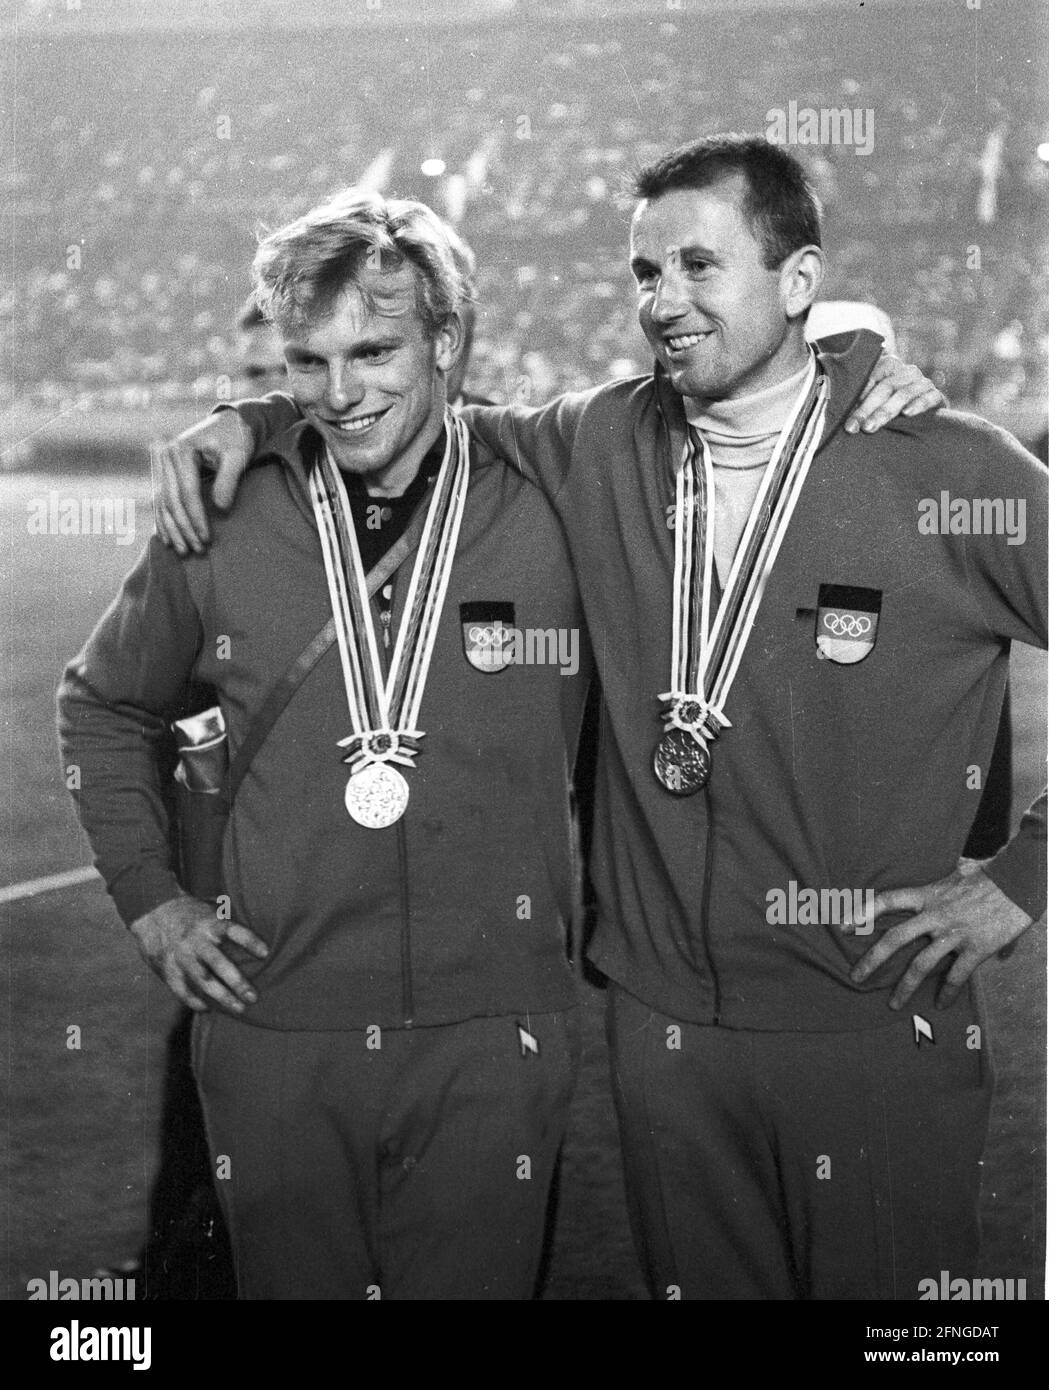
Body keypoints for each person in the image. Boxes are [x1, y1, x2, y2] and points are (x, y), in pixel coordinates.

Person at [152, 135, 1045, 1302]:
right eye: (642, 275)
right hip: (659, 1030)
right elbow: (398, 409)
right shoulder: (600, 438)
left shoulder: (939, 465)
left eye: (695, 267)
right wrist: (258, 413)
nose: (661, 303)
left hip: (871, 1020)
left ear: (797, 282)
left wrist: (1022, 877)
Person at [58, 189, 591, 1300]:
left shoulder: (555, 498)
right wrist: (152, 899)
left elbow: (736, 415)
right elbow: (104, 705)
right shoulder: (225, 509)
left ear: (447, 340)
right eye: (307, 361)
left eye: (376, 351)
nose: (340, 393)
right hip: (275, 1026)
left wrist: (868, 375)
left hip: (492, 1029)